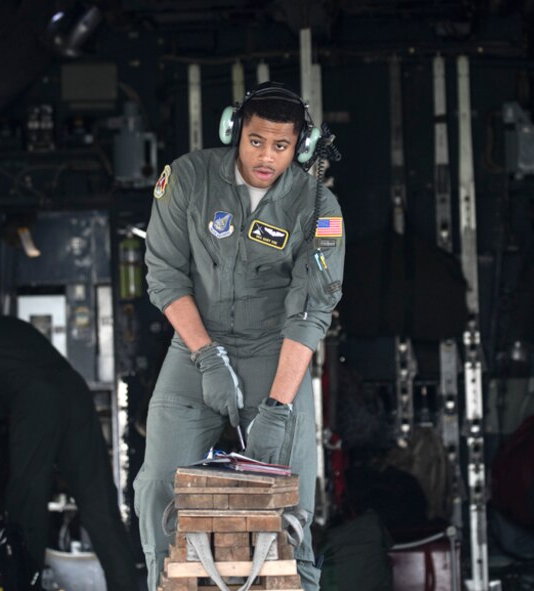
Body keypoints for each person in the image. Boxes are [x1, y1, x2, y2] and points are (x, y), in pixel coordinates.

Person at [133, 81, 345, 591]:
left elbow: (311, 310)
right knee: (158, 487)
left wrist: (277, 408)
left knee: (290, 506)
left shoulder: (319, 205)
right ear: (235, 130)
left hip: (276, 357)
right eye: (255, 141)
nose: (266, 156)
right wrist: (206, 356)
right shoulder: (185, 179)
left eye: (281, 145)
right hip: (195, 349)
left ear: (302, 146)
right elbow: (164, 275)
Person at [0, 309, 136, 590]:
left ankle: (24, 582)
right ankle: (127, 585)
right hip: (75, 392)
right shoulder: (4, 327)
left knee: (27, 499)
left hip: (37, 402)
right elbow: (20, 380)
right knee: (98, 502)